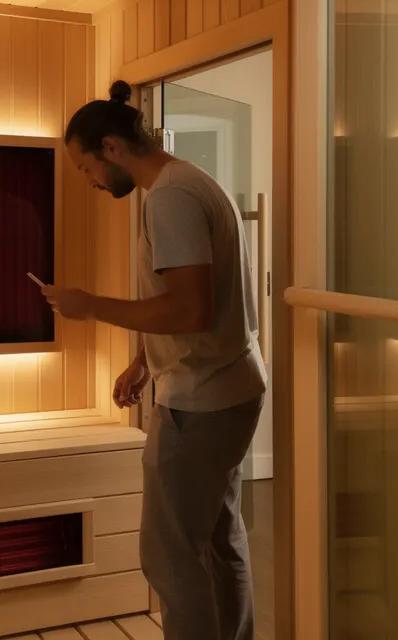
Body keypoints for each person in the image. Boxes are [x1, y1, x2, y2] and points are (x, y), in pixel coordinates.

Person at [42, 80, 267, 640]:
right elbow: (189, 298)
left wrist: (90, 305)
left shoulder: (170, 198)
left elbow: (190, 309)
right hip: (230, 387)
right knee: (219, 541)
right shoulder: (190, 182)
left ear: (112, 148)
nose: (91, 181)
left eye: (86, 168)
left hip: (200, 402)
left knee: (170, 556)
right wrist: (145, 358)